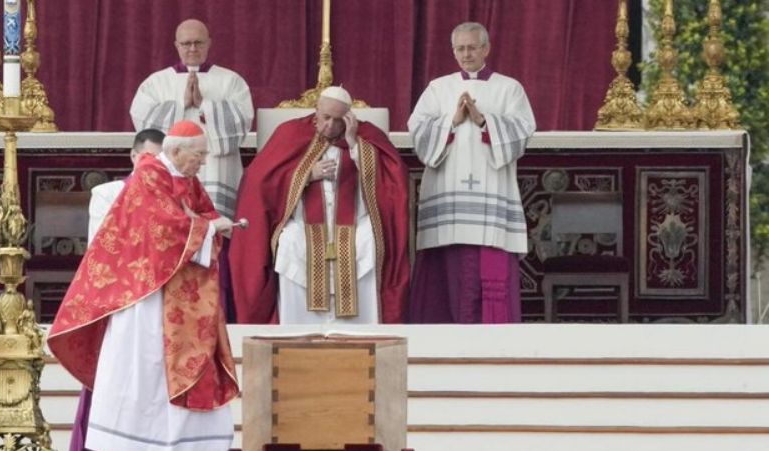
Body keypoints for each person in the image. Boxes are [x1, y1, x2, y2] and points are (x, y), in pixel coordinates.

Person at [48, 120, 239, 451]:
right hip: (145, 295)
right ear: (177, 151)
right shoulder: (150, 175)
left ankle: (185, 447)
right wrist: (208, 228)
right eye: (200, 154)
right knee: (144, 368)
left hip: (180, 293)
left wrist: (209, 223)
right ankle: (137, 449)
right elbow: (162, 230)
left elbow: (201, 213)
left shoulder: (187, 179)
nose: (204, 161)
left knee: (172, 369)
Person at [230, 86, 410, 325]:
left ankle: (362, 331)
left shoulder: (365, 136)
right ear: (316, 111)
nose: (330, 126)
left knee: (368, 240)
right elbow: (261, 182)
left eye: (338, 120)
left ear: (348, 117)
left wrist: (354, 145)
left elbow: (391, 183)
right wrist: (305, 174)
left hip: (354, 226)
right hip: (303, 224)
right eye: (326, 118)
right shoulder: (290, 133)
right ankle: (297, 330)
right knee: (291, 241)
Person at [407, 22, 536, 324]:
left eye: (472, 47)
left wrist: (482, 120)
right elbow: (418, 131)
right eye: (460, 48)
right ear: (453, 52)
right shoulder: (438, 88)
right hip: (447, 194)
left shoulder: (509, 88)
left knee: (488, 263)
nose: (466, 54)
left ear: (485, 49)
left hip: (492, 195)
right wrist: (451, 122)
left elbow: (522, 132)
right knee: (447, 269)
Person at [66, 128, 165, 451]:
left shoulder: (172, 197)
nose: (153, 169)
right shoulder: (108, 193)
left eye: (160, 162)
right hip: (119, 300)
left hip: (159, 303)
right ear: (135, 157)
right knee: (115, 377)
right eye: (148, 159)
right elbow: (102, 247)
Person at [129, 19, 253, 220]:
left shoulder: (231, 81)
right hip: (173, 171)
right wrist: (181, 104)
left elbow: (242, 122)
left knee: (216, 228)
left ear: (209, 43)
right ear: (177, 45)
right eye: (186, 43)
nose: (193, 48)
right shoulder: (156, 82)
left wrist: (204, 104)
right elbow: (145, 126)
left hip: (216, 168)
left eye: (199, 42)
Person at [87, 129, 165, 243]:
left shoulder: (169, 196)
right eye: (149, 158)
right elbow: (100, 243)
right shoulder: (105, 194)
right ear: (133, 155)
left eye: (161, 161)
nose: (154, 165)